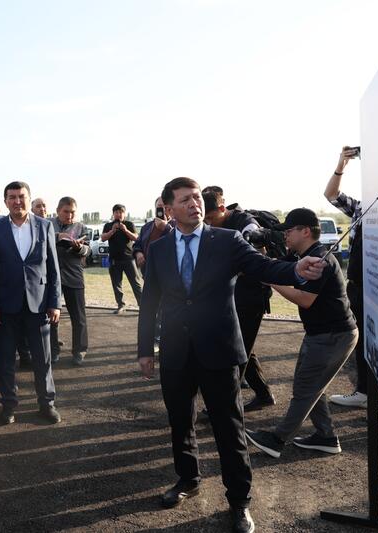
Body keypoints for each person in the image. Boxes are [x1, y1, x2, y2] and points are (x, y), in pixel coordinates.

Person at [138, 177, 326, 533]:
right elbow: (149, 301)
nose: (195, 203)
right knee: (181, 421)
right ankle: (188, 479)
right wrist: (145, 350)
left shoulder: (226, 240)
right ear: (168, 208)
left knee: (229, 428)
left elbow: (263, 266)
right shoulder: (159, 249)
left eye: (197, 197)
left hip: (220, 352)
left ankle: (239, 501)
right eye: (185, 199)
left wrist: (296, 269)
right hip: (176, 352)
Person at [246, 208, 357, 458]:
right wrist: (260, 255)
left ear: (305, 231)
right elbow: (274, 266)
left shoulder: (320, 260)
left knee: (306, 388)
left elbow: (306, 299)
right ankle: (326, 436)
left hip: (333, 335)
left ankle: (277, 439)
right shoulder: (302, 256)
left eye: (289, 230)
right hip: (321, 333)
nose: (285, 235)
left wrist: (272, 282)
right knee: (311, 385)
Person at [324, 147, 378, 423]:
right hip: (358, 285)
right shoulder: (363, 205)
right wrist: (341, 164)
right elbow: (331, 195)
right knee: (363, 341)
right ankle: (365, 392)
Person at [0, 181, 62, 425]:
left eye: (21, 196)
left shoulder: (45, 226)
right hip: (6, 307)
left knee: (43, 360)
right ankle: (8, 406)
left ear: (29, 198)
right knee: (6, 361)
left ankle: (47, 404)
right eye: (12, 197)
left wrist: (55, 302)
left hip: (39, 306)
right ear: (6, 201)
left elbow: (53, 269)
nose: (17, 201)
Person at [203, 191, 275, 412]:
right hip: (235, 294)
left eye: (210, 218)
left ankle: (225, 407)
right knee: (243, 347)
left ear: (222, 209)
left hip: (251, 296)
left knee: (237, 350)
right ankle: (263, 394)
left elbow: (260, 260)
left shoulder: (247, 225)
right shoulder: (220, 224)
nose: (208, 223)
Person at [50, 197, 89, 366]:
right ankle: (53, 351)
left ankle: (79, 351)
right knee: (51, 317)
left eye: (73, 212)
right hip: (52, 276)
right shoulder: (48, 224)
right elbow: (40, 241)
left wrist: (79, 247)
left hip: (74, 275)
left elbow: (88, 250)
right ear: (58, 211)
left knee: (79, 317)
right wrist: (58, 236)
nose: (69, 215)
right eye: (66, 211)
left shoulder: (81, 227)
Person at [102, 204, 142, 313]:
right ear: (113, 214)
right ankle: (121, 305)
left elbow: (136, 238)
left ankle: (142, 306)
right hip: (114, 260)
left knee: (136, 283)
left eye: (121, 212)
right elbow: (103, 238)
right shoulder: (108, 225)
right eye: (116, 212)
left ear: (124, 214)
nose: (118, 214)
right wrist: (112, 231)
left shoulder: (129, 224)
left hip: (129, 258)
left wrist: (125, 230)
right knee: (116, 284)